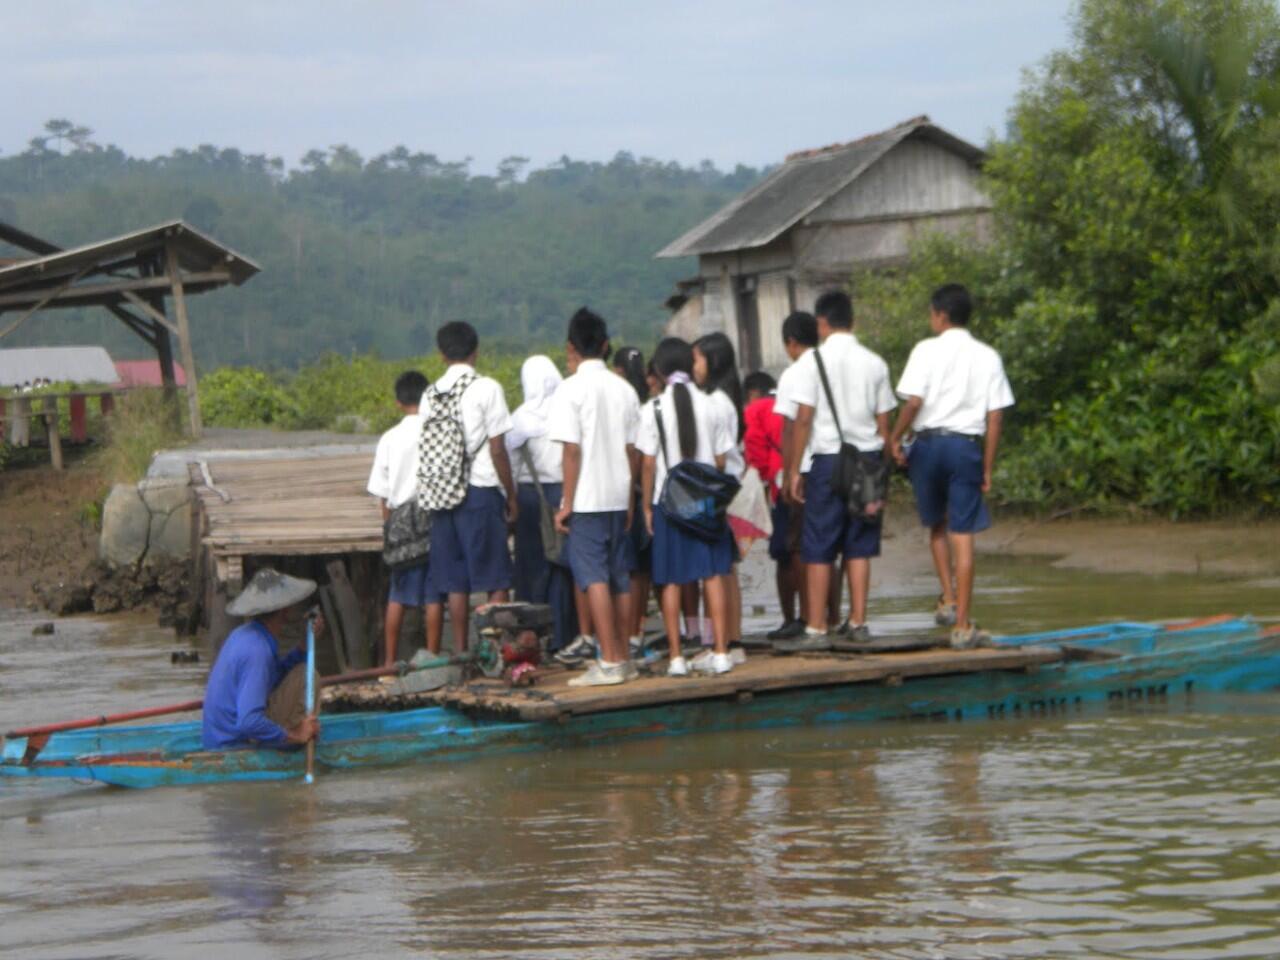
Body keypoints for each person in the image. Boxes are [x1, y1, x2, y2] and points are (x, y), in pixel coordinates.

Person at [889, 283, 1015, 649]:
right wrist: (987, 468)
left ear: (941, 316)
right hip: (965, 448)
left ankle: (948, 596)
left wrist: (896, 437)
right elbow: (995, 419)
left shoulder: (925, 350)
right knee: (964, 535)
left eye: (931, 313)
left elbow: (913, 403)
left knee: (937, 527)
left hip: (928, 446)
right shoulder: (988, 356)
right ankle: (962, 625)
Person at [777, 291, 896, 650]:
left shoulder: (810, 364)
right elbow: (884, 421)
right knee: (859, 545)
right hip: (867, 461)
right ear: (853, 321)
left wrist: (794, 470)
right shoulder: (875, 363)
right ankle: (858, 621)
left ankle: (816, 627)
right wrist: (884, 466)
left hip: (827, 461)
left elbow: (803, 420)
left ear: (821, 323)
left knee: (819, 545)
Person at [548, 307, 642, 687]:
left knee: (593, 579)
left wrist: (565, 502)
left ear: (571, 347)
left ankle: (610, 660)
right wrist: (632, 500)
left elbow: (571, 452)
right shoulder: (625, 389)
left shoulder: (569, 390)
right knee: (619, 577)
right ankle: (623, 655)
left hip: (586, 499)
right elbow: (633, 450)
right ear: (605, 345)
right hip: (619, 496)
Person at [638, 337, 735, 676]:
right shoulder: (712, 405)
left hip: (668, 503)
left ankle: (677, 658)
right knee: (711, 576)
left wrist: (648, 507)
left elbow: (648, 464)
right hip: (704, 502)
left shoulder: (651, 410)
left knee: (671, 579)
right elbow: (722, 460)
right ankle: (721, 652)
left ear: (661, 371)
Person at [421, 321, 518, 652]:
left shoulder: (429, 394)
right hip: (479, 491)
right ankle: (499, 650)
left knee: (455, 583)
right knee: (496, 578)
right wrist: (511, 493)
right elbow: (496, 448)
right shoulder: (487, 388)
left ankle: (462, 653)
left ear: (441, 355)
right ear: (476, 350)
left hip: (441, 494)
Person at [368, 370, 442, 663]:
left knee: (397, 595)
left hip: (400, 518)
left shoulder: (389, 438)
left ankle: (388, 662)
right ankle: (434, 655)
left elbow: (381, 493)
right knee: (434, 595)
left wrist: (389, 526)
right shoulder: (437, 431)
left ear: (398, 403)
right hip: (433, 517)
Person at [202, 568, 321, 750]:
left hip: (220, 736)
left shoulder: (244, 635)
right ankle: (295, 738)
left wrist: (303, 647)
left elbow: (272, 678)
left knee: (300, 671)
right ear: (285, 610)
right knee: (307, 675)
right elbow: (249, 722)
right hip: (233, 743)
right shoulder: (257, 650)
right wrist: (295, 735)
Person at [506, 355, 577, 652]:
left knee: (530, 567)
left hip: (529, 498)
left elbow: (509, 465)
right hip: (563, 494)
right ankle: (563, 637)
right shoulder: (567, 410)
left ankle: (530, 639)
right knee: (561, 565)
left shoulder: (520, 418)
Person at [693, 332, 747, 663]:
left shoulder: (715, 402)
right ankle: (733, 639)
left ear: (711, 362)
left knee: (718, 570)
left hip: (719, 489)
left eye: (697, 359)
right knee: (727, 570)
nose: (693, 366)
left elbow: (718, 455)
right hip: (731, 487)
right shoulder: (727, 397)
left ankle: (724, 641)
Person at [743, 370, 797, 635]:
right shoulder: (794, 400)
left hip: (781, 485)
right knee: (817, 553)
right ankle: (823, 619)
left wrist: (760, 481)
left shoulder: (757, 409)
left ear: (752, 393)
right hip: (812, 479)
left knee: (784, 555)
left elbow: (754, 448)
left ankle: (790, 619)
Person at [611, 346, 655, 655]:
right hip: (648, 491)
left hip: (630, 491)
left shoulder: (622, 401)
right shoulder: (650, 403)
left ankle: (628, 634)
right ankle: (639, 627)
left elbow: (633, 453)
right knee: (645, 570)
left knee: (630, 568)